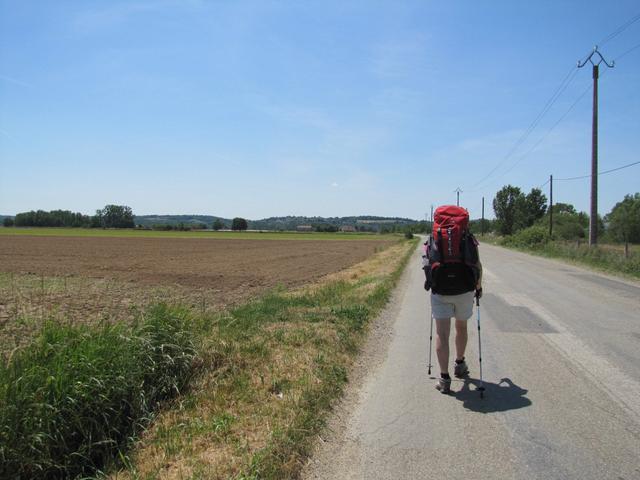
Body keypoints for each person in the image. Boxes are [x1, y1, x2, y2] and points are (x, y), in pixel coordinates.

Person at [422, 205, 482, 394]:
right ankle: (459, 364)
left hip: (440, 290)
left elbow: (426, 263)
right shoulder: (468, 238)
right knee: (461, 327)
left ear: (436, 220)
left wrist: (430, 283)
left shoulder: (434, 237)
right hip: (464, 289)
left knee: (442, 333)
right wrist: (478, 286)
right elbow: (477, 264)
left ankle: (444, 378)